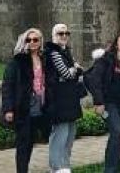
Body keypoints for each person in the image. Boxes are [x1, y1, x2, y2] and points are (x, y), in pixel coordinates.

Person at [1, 28, 48, 173]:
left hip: (41, 104)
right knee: (23, 143)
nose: (32, 43)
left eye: (36, 40)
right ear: (24, 42)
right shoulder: (17, 61)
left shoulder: (44, 59)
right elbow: (8, 85)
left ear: (40, 42)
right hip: (24, 105)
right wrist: (8, 109)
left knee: (32, 140)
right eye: (29, 40)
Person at [89, 32, 120, 173]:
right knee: (117, 131)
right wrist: (98, 102)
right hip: (109, 102)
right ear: (116, 43)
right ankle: (110, 169)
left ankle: (115, 168)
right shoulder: (106, 59)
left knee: (117, 134)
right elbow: (93, 79)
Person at [45, 23, 84, 173]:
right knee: (59, 135)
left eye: (66, 33)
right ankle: (56, 167)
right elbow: (67, 74)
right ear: (54, 36)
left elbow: (74, 72)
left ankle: (65, 166)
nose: (64, 36)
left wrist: (73, 69)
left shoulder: (65, 51)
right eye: (60, 33)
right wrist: (75, 68)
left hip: (70, 97)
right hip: (59, 99)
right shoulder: (53, 52)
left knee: (70, 134)